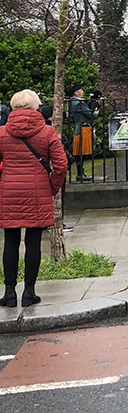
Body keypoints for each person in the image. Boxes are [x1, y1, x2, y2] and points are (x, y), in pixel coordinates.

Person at [0, 89, 68, 307]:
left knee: (10, 241)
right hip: (38, 191)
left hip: (9, 190)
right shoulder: (46, 133)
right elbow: (61, 164)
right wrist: (53, 186)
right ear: (35, 107)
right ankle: (29, 292)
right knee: (33, 241)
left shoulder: (1, 133)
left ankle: (9, 293)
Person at [40, 105, 74, 232]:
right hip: (52, 169)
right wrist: (70, 160)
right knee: (57, 196)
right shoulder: (51, 130)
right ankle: (55, 222)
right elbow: (61, 151)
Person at [68, 83, 97, 182]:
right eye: (81, 90)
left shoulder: (73, 102)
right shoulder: (79, 103)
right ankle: (80, 174)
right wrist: (96, 111)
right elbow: (90, 114)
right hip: (82, 129)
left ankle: (81, 173)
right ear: (76, 92)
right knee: (81, 153)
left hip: (79, 128)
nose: (83, 91)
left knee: (80, 152)